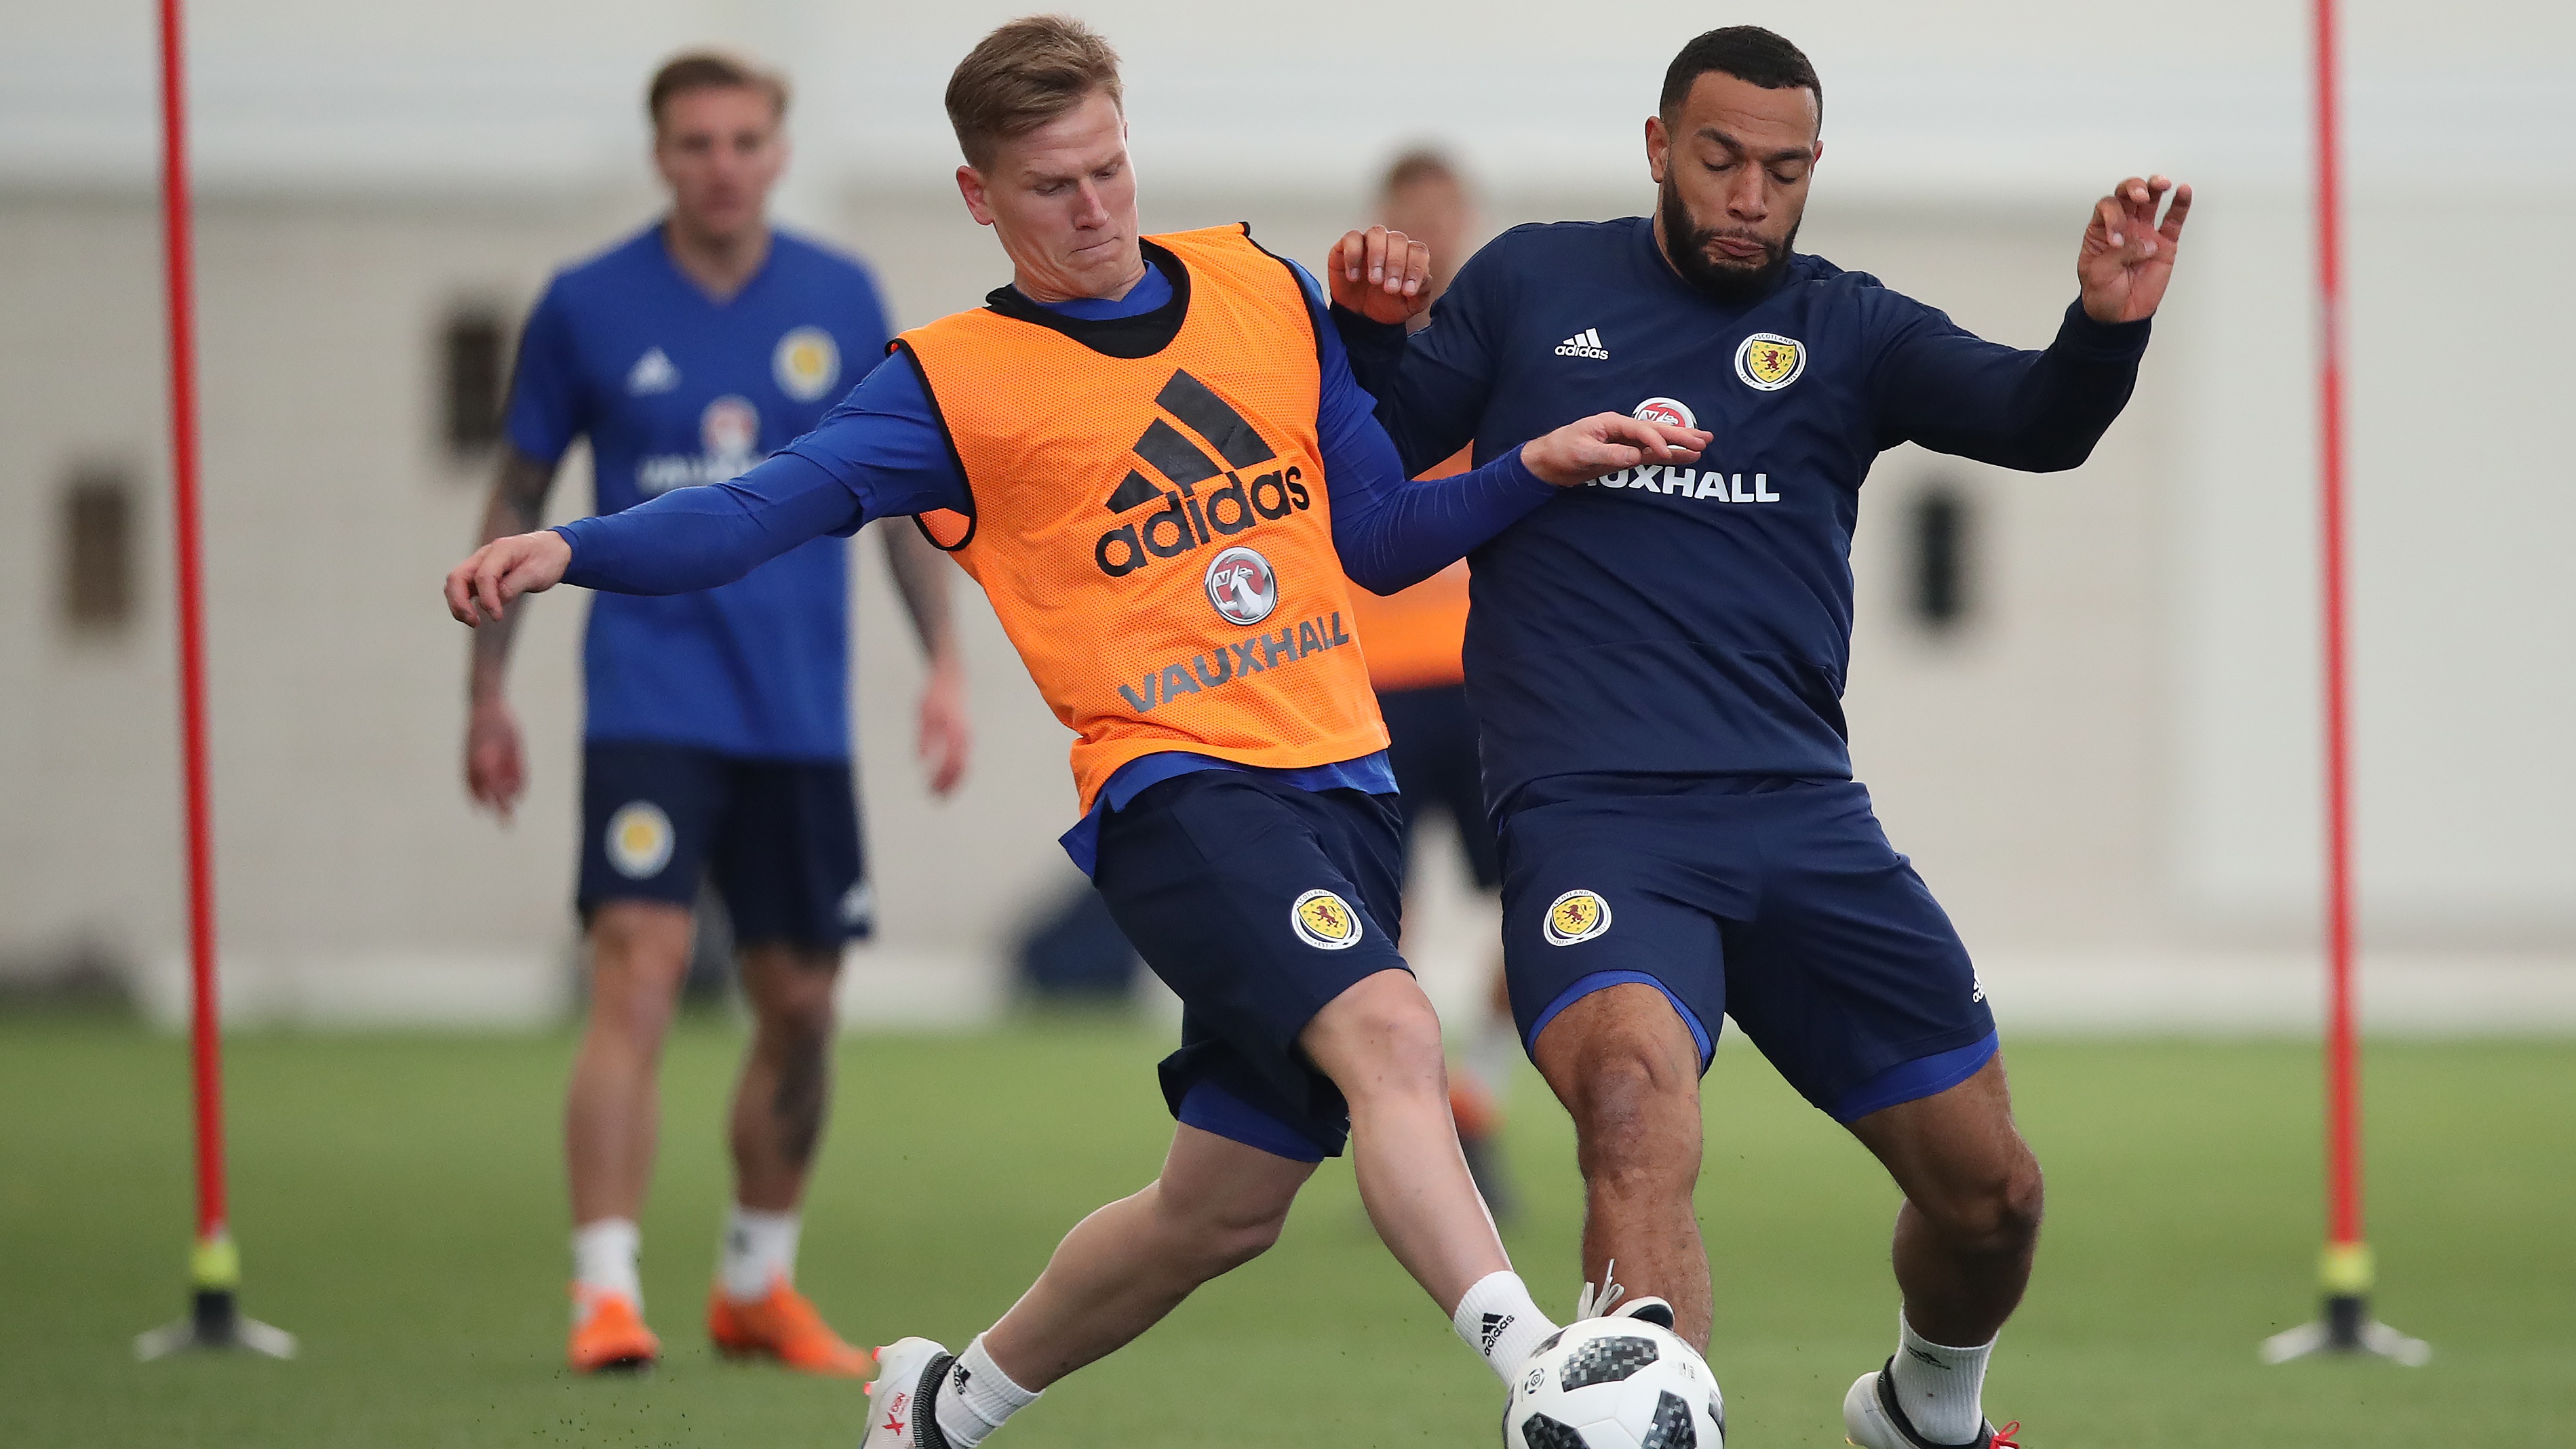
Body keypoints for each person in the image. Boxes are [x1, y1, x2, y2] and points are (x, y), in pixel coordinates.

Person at [444, 18, 1707, 1444]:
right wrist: (571, 547)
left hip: (1337, 782)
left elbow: (1379, 537)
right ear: (979, 195)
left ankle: (941, 1405)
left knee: (1221, 1206)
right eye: (1051, 186)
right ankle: (1543, 1364)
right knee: (1394, 1030)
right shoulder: (950, 382)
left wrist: (1532, 465)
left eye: (1109, 168)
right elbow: (751, 508)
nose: (1095, 207)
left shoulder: (1258, 285)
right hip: (1177, 792)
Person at [1333, 24, 2189, 1449]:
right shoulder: (1533, 283)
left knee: (1993, 1197)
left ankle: (1926, 1409)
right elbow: (1380, 447)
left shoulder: (1848, 328)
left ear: (1813, 170)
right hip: (1593, 817)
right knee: (1630, 1102)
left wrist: (2104, 327)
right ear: (1658, 147)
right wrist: (1367, 329)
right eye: (1720, 160)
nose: (1748, 197)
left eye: (1782, 172)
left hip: (1800, 814)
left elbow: (2037, 422)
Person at [463, 49, 972, 1376]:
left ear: (780, 153)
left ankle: (755, 1284)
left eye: (746, 140)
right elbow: (518, 495)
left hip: (798, 711)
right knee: (636, 964)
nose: (723, 165)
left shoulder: (841, 295)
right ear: (660, 155)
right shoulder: (585, 303)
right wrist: (488, 693)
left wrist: (944, 665)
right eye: (696, 143)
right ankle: (604, 1288)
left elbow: (898, 499)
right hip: (651, 697)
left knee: (801, 1001)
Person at [1342, 148, 1521, 1218]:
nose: (1428, 232)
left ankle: (1477, 1091)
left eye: (1444, 214)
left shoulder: (1497, 345)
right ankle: (1405, 1122)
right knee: (1380, 921)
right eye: (1410, 214)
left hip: (1484, 674)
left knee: (1537, 895)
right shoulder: (1344, 354)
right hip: (1371, 682)